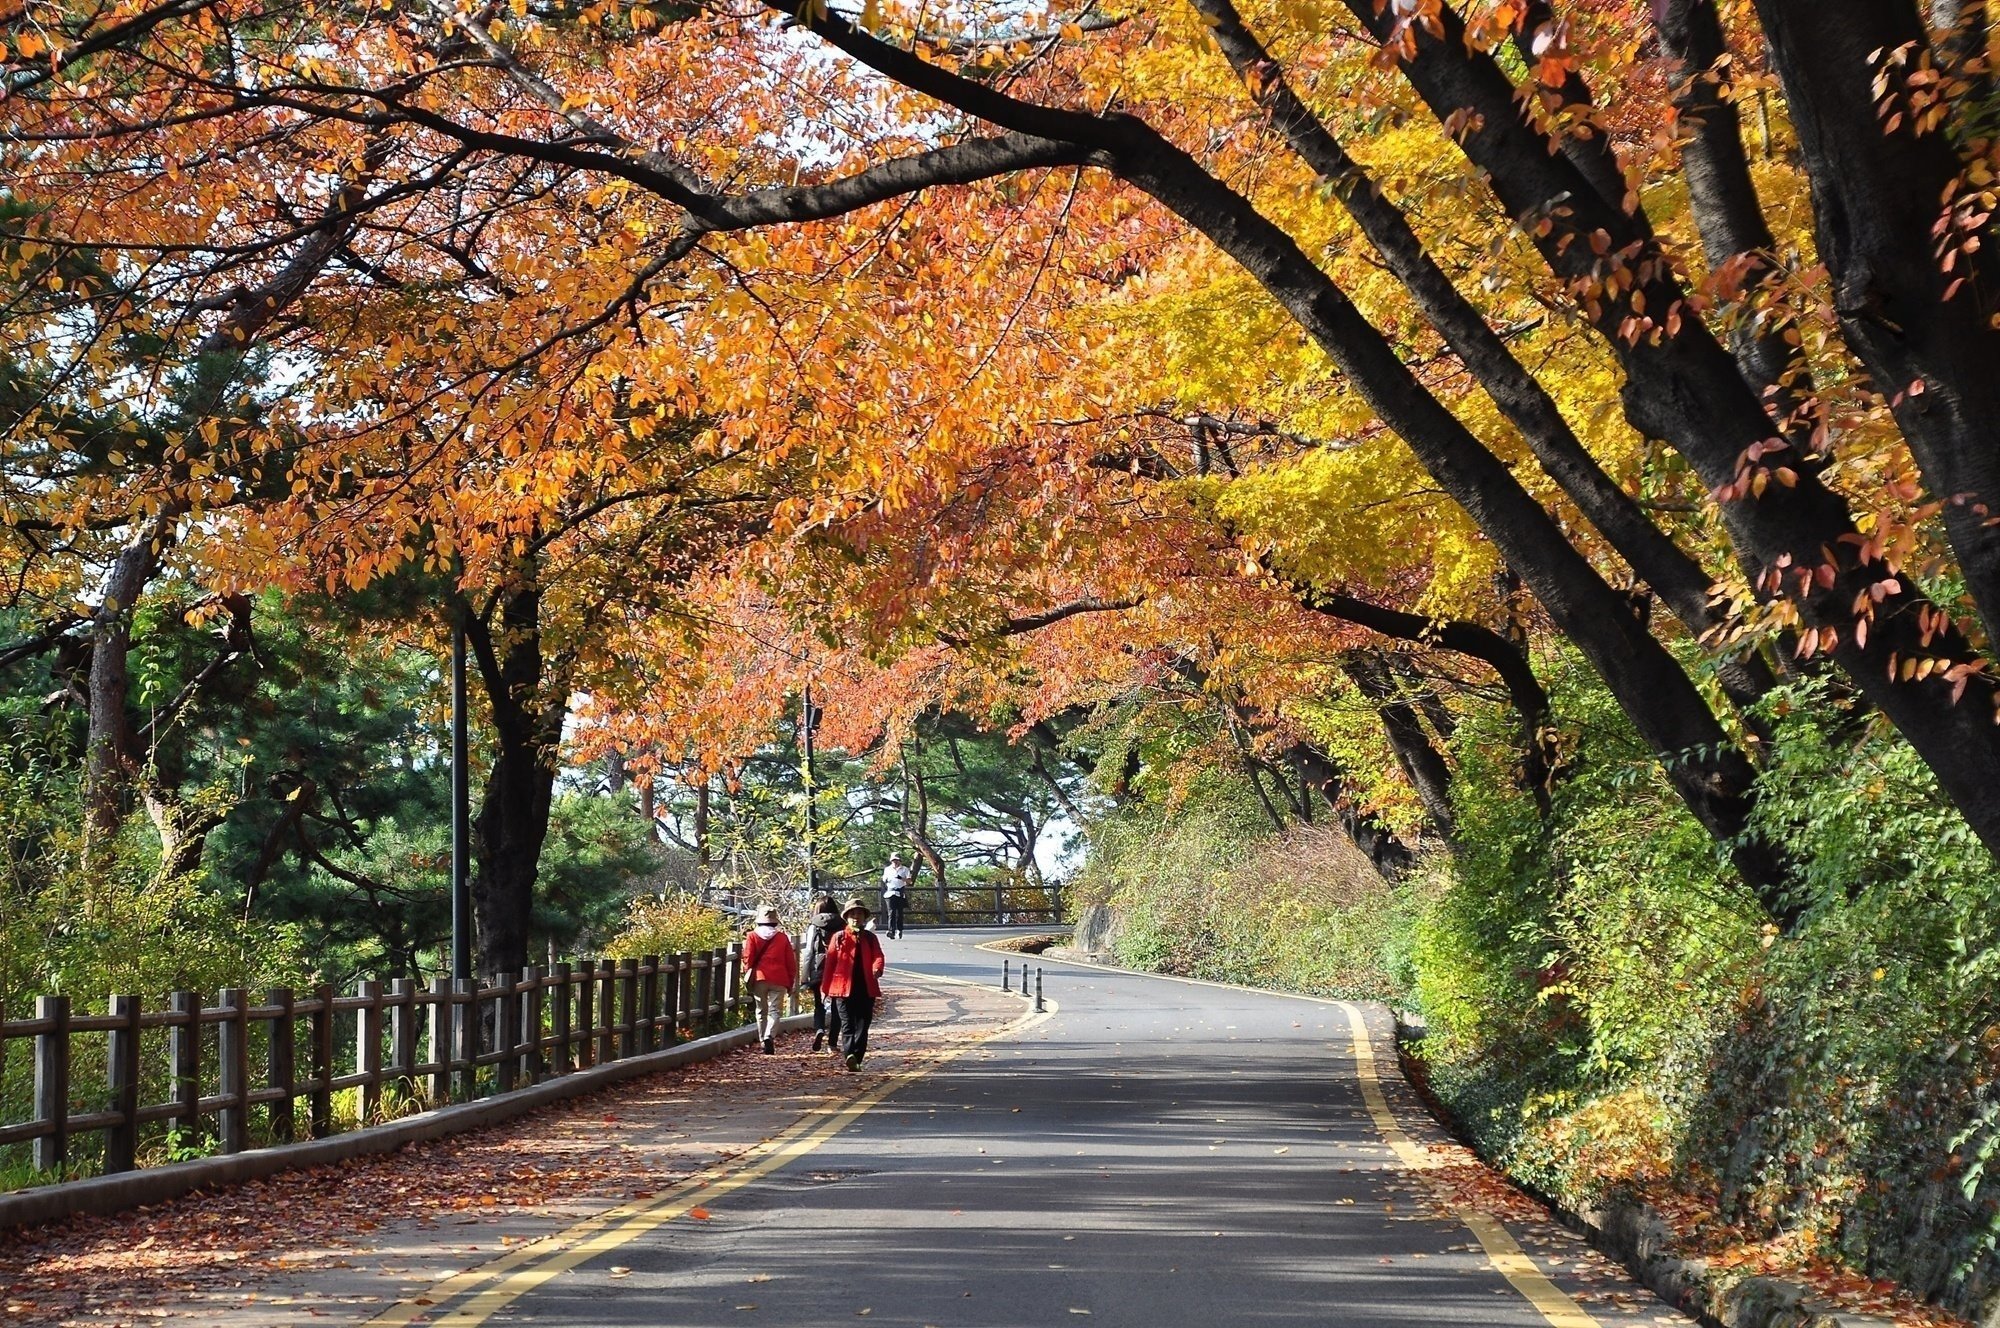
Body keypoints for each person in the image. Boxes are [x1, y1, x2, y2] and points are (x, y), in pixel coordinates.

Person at [819, 897, 886, 1071]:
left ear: (864, 917)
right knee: (847, 1025)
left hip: (865, 988)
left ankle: (857, 1057)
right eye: (852, 914)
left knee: (862, 1026)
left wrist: (877, 968)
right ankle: (849, 1055)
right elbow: (830, 964)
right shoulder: (838, 937)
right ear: (847, 917)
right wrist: (825, 989)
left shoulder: (870, 938)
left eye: (859, 913)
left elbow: (878, 956)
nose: (856, 917)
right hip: (842, 989)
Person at [742, 905, 798, 1055]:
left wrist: (747, 972)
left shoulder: (752, 936)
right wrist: (791, 981)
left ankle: (762, 1040)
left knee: (761, 1010)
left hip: (760, 977)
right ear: (775, 922)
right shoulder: (782, 937)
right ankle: (769, 1036)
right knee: (775, 1011)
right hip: (779, 978)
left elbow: (748, 958)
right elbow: (790, 962)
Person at [802, 894, 842, 1053]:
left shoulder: (814, 926)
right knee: (837, 1006)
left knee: (819, 1004)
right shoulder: (842, 923)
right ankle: (832, 1044)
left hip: (819, 967)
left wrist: (805, 977)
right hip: (838, 968)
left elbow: (808, 953)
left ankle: (819, 1029)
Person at [880, 852, 912, 939]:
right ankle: (891, 931)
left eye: (896, 860)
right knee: (891, 912)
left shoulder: (905, 869)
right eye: (893, 860)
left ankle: (900, 929)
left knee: (899, 913)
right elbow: (884, 879)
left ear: (899, 860)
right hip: (890, 893)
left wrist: (901, 878)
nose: (895, 862)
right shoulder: (887, 869)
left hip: (900, 893)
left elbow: (909, 881)